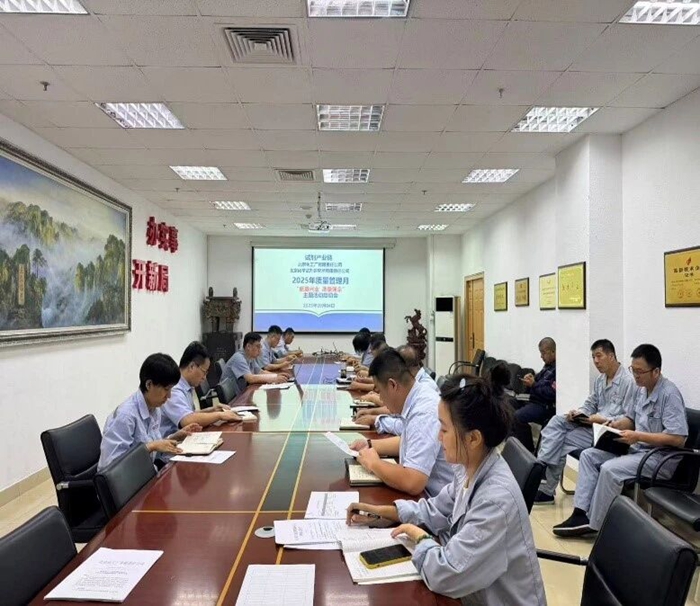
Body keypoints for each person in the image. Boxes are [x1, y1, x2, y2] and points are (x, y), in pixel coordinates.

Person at [347, 375, 546, 606]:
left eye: (444, 429)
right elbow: (437, 509)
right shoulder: (468, 467)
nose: (438, 437)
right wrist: (387, 512)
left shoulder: (495, 500)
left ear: (473, 439)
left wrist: (420, 537)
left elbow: (446, 574)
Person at [554, 344, 687, 537]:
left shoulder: (669, 394)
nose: (636, 376)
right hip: (636, 449)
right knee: (589, 456)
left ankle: (596, 524)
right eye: (633, 370)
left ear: (656, 371)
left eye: (640, 372)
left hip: (658, 458)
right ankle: (580, 513)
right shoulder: (641, 390)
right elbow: (631, 419)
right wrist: (614, 425)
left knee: (610, 469)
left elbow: (678, 438)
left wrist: (638, 436)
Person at [534, 340, 637, 505]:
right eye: (593, 357)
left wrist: (602, 419)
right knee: (558, 421)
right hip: (593, 427)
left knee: (561, 441)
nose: (595, 361)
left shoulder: (628, 382)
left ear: (611, 356)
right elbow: (590, 404)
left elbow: (629, 420)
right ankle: (542, 465)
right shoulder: (600, 380)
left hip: (609, 433)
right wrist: (579, 413)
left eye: (599, 356)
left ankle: (544, 482)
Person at [350, 348, 454, 497]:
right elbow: (409, 441)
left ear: (393, 385)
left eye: (380, 392)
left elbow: (413, 482)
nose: (381, 399)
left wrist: (374, 464)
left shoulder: (424, 411)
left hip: (436, 501)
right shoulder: (417, 397)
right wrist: (369, 445)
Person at [98, 353, 201, 470]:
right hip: (129, 479)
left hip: (146, 471)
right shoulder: (126, 416)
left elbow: (155, 446)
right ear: (149, 385)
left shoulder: (154, 408)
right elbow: (111, 466)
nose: (169, 396)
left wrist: (175, 437)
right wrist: (150, 447)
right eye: (166, 389)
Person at [160, 341, 244, 438]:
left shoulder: (186, 385)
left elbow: (190, 414)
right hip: (171, 444)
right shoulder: (174, 389)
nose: (204, 378)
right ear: (192, 367)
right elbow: (187, 420)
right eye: (204, 372)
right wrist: (219, 415)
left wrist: (212, 410)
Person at [353, 344, 438, 433]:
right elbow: (403, 426)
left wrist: (373, 411)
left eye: (380, 391)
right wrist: (376, 420)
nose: (380, 397)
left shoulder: (424, 402)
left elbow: (407, 427)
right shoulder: (413, 391)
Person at [512, 337, 557, 452]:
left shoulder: (559, 370)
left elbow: (551, 393)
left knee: (517, 417)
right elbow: (539, 382)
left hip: (545, 405)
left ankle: (527, 450)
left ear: (553, 352)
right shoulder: (547, 366)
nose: (541, 356)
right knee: (508, 404)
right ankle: (514, 443)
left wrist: (533, 384)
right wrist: (531, 379)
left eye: (543, 353)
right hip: (534, 400)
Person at [221, 332, 288, 388]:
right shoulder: (238, 358)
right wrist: (273, 379)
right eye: (258, 346)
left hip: (242, 391)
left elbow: (260, 372)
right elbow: (251, 379)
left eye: (260, 347)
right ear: (248, 346)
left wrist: (277, 375)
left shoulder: (250, 357)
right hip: (235, 397)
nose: (260, 350)